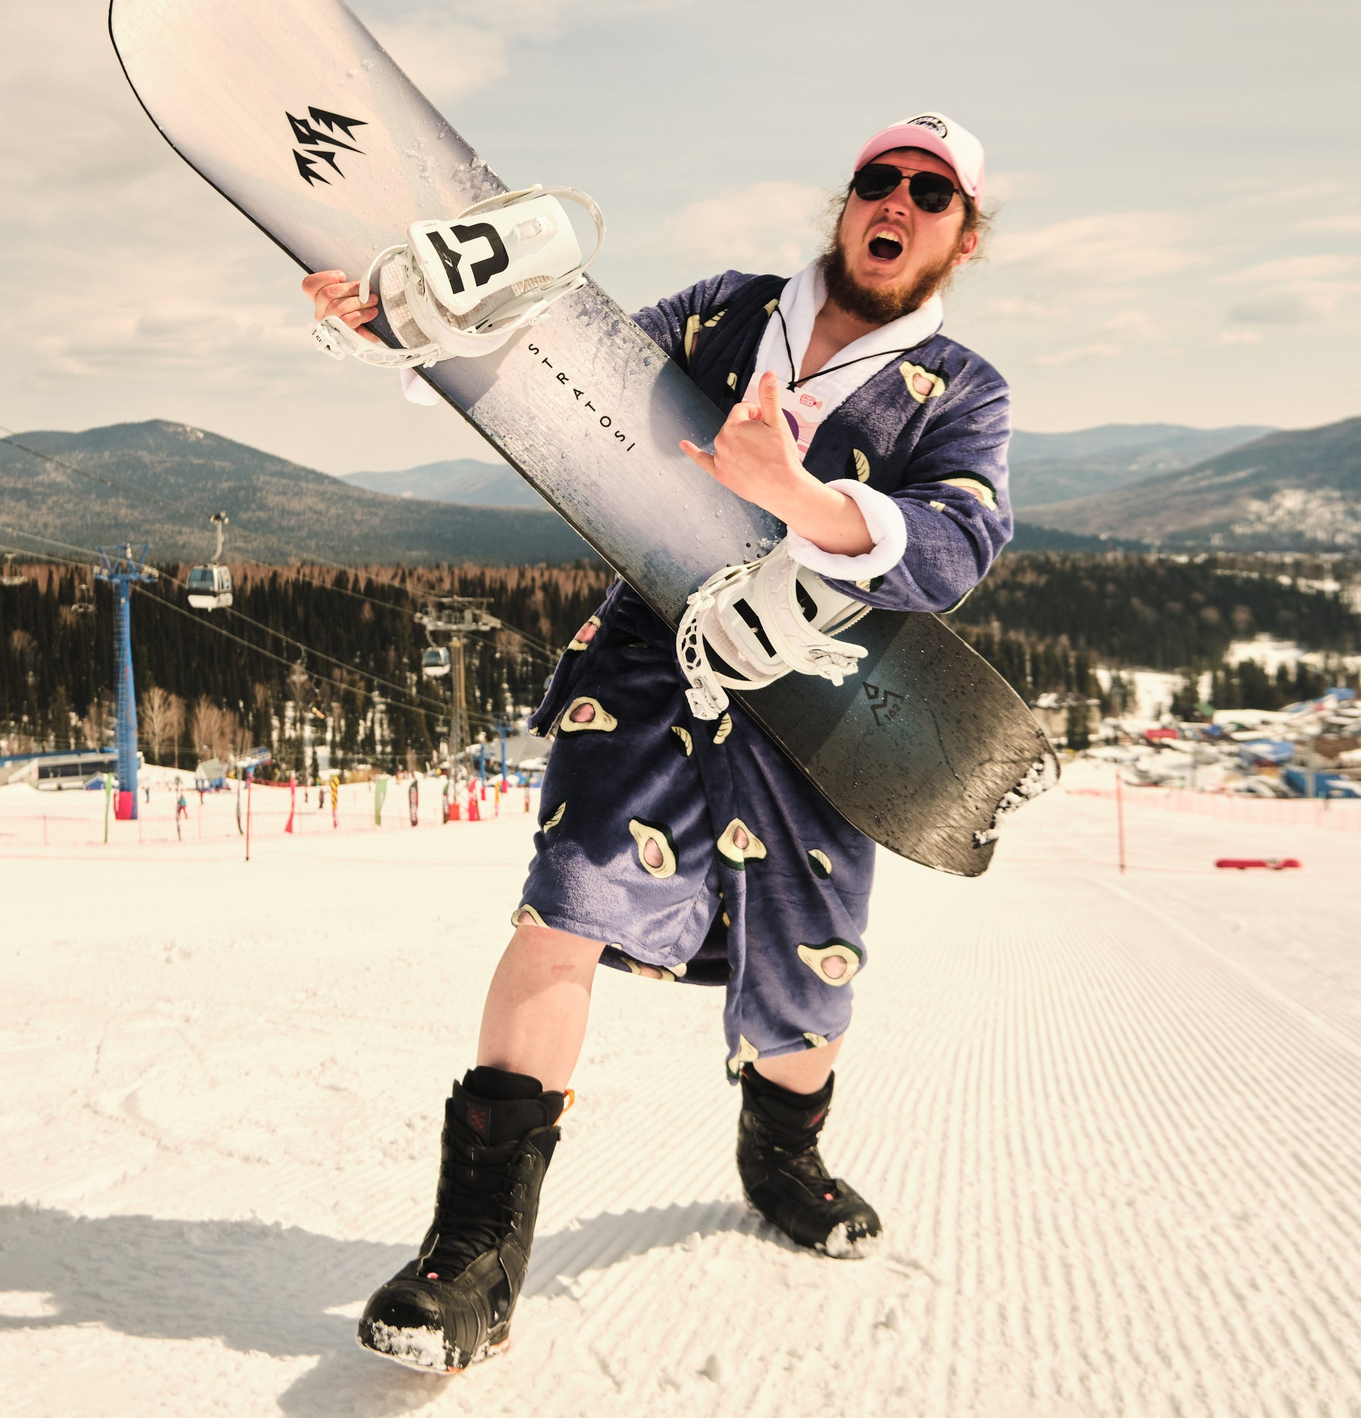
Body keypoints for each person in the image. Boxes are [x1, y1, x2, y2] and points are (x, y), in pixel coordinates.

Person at [301, 112, 1015, 1373]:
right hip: (649, 656)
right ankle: (471, 1256)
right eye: (876, 180)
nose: (894, 201)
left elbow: (957, 541)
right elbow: (560, 388)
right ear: (847, 201)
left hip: (822, 702)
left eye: (930, 193)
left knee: (807, 981)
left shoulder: (958, 392)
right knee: (564, 904)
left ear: (961, 234)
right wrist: (405, 324)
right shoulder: (727, 314)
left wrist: (795, 495)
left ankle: (781, 1155)